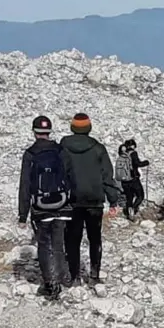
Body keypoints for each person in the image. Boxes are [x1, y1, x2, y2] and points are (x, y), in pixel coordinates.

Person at [60, 113, 119, 285]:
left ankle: (74, 277)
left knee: (72, 239)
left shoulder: (63, 147)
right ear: (89, 128)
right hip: (94, 201)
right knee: (95, 239)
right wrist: (113, 199)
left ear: (72, 127)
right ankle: (94, 276)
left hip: (72, 200)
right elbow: (107, 176)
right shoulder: (98, 148)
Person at [18, 116, 72, 300]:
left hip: (41, 207)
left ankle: (50, 284)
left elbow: (25, 185)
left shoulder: (30, 154)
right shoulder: (60, 151)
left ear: (34, 131)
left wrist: (22, 215)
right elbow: (70, 177)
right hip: (62, 204)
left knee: (44, 244)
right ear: (49, 131)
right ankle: (62, 278)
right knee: (58, 243)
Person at [124, 138, 149, 218]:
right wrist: (146, 162)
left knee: (129, 197)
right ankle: (133, 209)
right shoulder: (133, 153)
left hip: (125, 180)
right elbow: (137, 163)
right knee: (140, 195)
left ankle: (128, 211)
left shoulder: (123, 154)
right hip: (134, 178)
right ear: (133, 146)